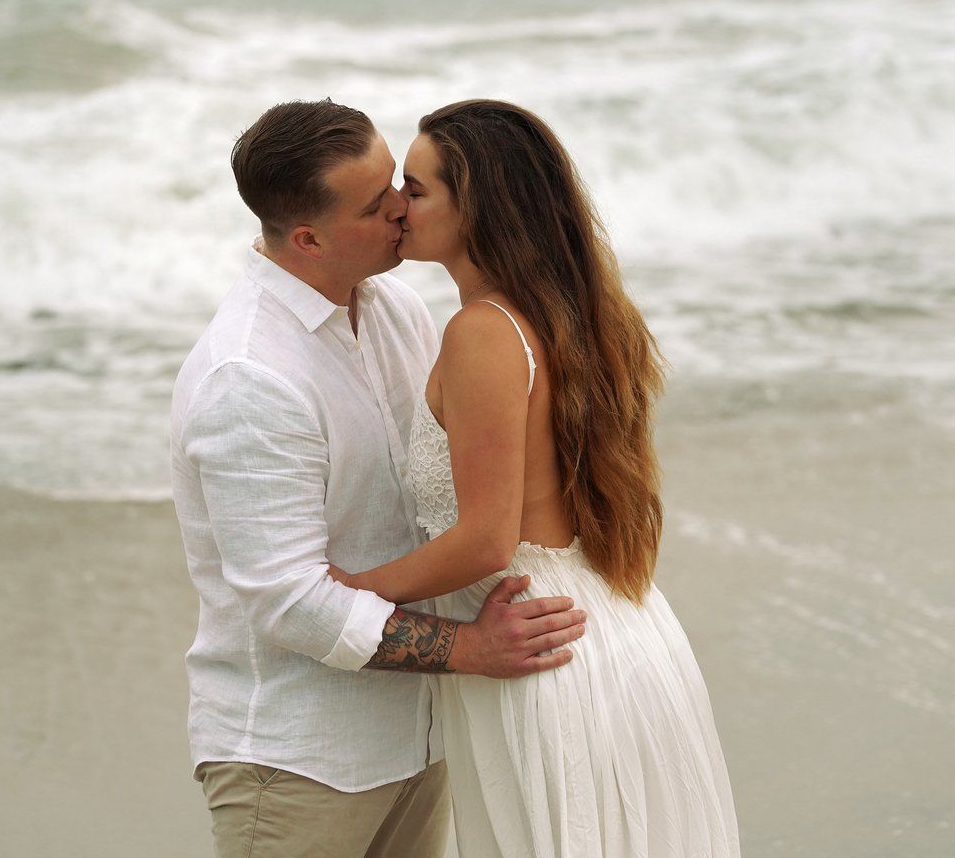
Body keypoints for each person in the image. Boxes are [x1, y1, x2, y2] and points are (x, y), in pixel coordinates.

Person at [169, 99, 589, 858]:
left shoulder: (397, 308)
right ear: (308, 238)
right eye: (374, 204)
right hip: (300, 762)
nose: (402, 206)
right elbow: (290, 602)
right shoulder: (250, 378)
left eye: (396, 180)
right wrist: (469, 650)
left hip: (422, 739)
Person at [329, 99, 742, 857]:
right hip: (609, 628)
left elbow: (486, 541)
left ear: (477, 207)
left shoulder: (484, 332)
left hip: (539, 648)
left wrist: (345, 593)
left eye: (416, 190)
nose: (397, 207)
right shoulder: (566, 314)